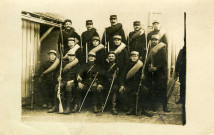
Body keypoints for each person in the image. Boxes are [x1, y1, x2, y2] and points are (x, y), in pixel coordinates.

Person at [122, 51, 152, 117]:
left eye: (135, 56)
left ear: (138, 57)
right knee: (126, 91)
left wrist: (143, 76)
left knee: (145, 90)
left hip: (139, 84)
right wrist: (122, 85)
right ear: (130, 57)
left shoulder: (141, 65)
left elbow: (147, 75)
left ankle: (142, 109)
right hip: (129, 84)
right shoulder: (127, 65)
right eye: (132, 56)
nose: (134, 57)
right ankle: (132, 108)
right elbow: (123, 75)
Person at [145, 34, 170, 112]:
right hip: (152, 72)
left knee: (162, 90)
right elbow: (147, 61)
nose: (154, 41)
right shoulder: (149, 49)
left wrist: (156, 68)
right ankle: (154, 106)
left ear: (158, 41)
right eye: (153, 40)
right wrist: (149, 67)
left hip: (160, 72)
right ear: (151, 41)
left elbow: (164, 62)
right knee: (153, 89)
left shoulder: (162, 48)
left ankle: (165, 107)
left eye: (156, 40)